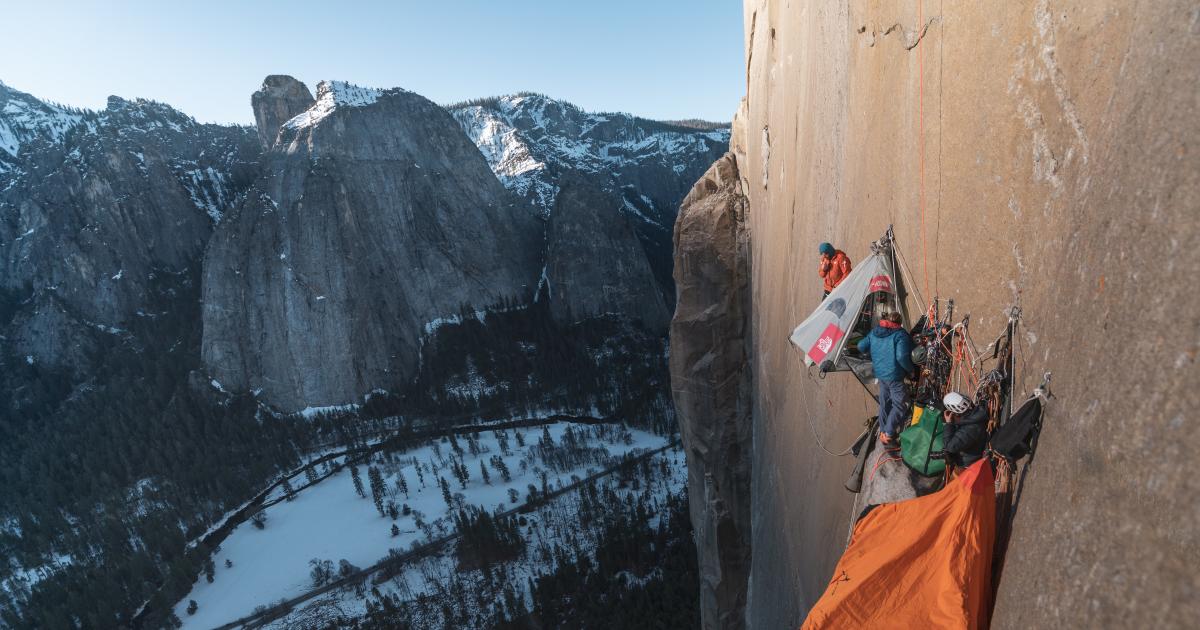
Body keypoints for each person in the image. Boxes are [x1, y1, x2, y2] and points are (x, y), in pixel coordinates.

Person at [857, 312, 914, 445]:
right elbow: (901, 357)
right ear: (899, 323)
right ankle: (888, 433)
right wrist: (910, 370)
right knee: (900, 405)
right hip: (894, 376)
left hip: (880, 374)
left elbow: (860, 346)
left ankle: (883, 430)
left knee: (885, 402)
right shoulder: (900, 334)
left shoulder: (874, 332)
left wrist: (874, 354)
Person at [934, 392, 990, 468]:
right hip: (971, 458)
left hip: (968, 466)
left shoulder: (970, 428)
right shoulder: (977, 414)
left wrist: (949, 423)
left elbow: (950, 447)